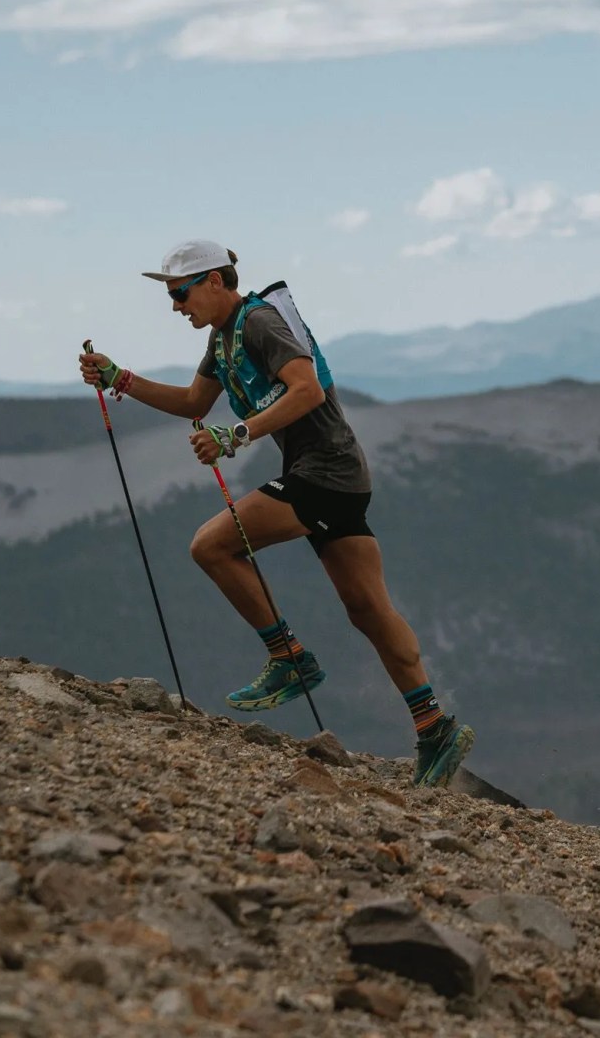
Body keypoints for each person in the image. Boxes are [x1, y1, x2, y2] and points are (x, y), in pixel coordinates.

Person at [78, 239, 474, 788]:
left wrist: (236, 434)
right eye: (171, 297)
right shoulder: (223, 338)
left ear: (215, 281)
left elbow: (307, 390)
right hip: (339, 477)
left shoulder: (259, 322)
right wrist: (120, 378)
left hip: (325, 472)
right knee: (367, 609)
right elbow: (194, 403)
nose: (175, 306)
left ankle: (288, 658)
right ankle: (435, 727)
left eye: (180, 293)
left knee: (211, 546)